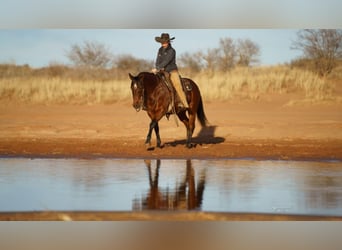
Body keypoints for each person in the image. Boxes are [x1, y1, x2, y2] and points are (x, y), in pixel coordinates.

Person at [152, 33, 189, 110]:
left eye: (165, 42)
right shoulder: (160, 50)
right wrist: (157, 67)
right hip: (162, 71)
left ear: (168, 42)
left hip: (172, 71)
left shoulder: (172, 51)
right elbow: (158, 60)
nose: (163, 43)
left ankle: (184, 103)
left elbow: (167, 61)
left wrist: (158, 67)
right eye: (162, 42)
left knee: (177, 85)